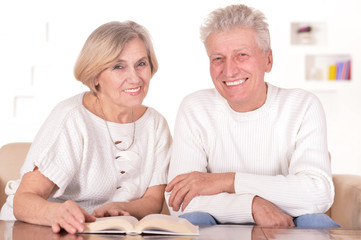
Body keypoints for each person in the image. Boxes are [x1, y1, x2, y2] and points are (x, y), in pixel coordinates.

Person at [165, 4, 339, 228]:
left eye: (242, 55)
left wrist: (227, 181)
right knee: (192, 221)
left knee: (316, 222)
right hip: (218, 222)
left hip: (287, 222)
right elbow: (178, 201)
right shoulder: (195, 108)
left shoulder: (303, 105)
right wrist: (251, 206)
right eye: (218, 58)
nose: (229, 71)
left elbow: (317, 195)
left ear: (268, 60)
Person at [0, 21, 172, 234]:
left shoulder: (156, 124)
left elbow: (153, 201)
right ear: (95, 75)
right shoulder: (71, 117)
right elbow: (23, 201)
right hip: (37, 229)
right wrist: (56, 213)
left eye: (141, 63)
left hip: (104, 233)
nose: (135, 77)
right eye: (118, 66)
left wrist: (121, 208)